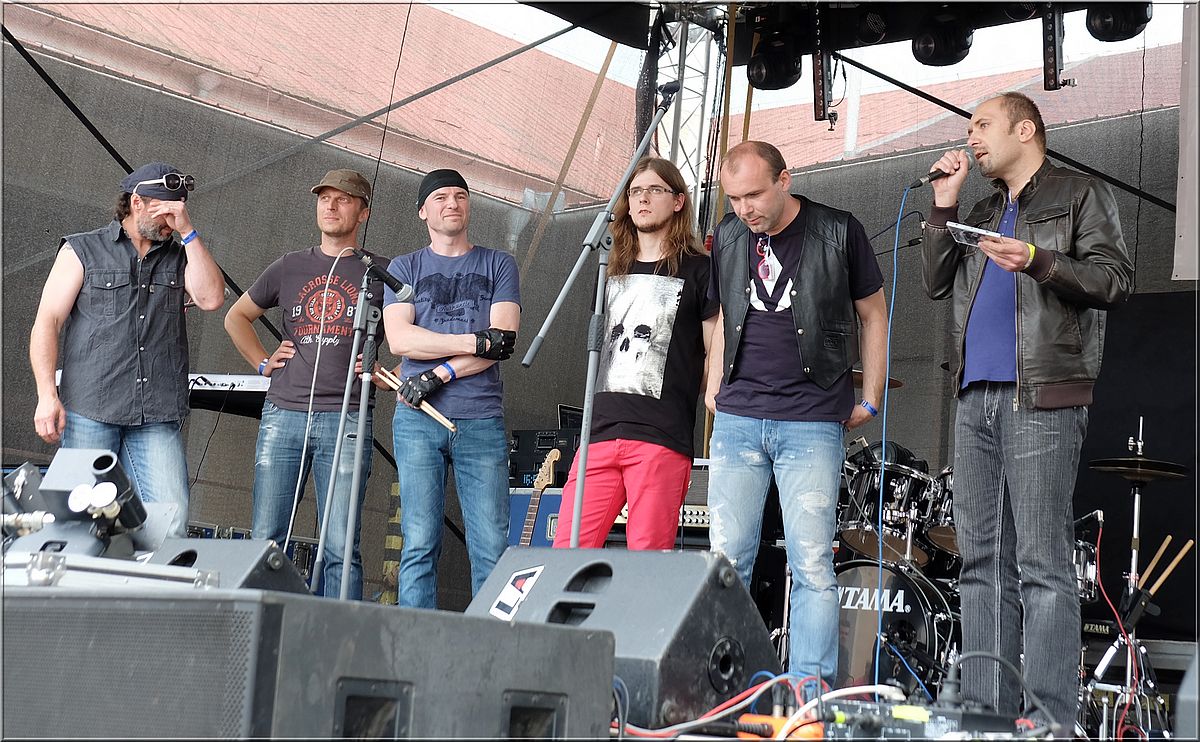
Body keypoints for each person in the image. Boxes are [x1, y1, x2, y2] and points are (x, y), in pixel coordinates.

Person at [921, 92, 1133, 727]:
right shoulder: (983, 209)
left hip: (1040, 394)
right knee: (980, 562)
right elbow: (936, 282)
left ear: (1025, 129)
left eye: (982, 125)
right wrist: (944, 205)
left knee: (1041, 564)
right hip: (974, 396)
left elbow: (1115, 280)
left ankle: (1048, 721)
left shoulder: (1079, 193)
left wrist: (1039, 261)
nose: (972, 138)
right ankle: (986, 714)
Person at [704, 141, 888, 687]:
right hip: (738, 417)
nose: (744, 209)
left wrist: (872, 395)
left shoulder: (838, 230)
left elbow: (874, 315)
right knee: (725, 565)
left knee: (811, 564)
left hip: (811, 417)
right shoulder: (729, 235)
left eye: (754, 195)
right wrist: (713, 387)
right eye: (734, 199)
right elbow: (722, 316)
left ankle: (811, 695)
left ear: (786, 179)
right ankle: (723, 690)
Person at [30, 162, 225, 537]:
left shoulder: (181, 253)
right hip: (91, 408)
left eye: (178, 212)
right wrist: (46, 395)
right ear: (137, 203)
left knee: (170, 523)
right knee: (80, 525)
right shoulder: (82, 249)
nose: (172, 222)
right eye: (166, 212)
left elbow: (212, 299)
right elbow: (47, 322)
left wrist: (188, 232)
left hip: (157, 411)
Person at [224, 169, 384, 601]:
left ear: (363, 213)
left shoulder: (381, 272)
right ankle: (257, 624)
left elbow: (413, 330)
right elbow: (235, 316)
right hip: (284, 412)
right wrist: (262, 362)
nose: (330, 206)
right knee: (266, 538)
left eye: (343, 199)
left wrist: (387, 369)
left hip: (348, 416)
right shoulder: (290, 265)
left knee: (341, 547)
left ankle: (338, 635)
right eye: (324, 198)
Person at [552, 157, 718, 550]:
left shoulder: (701, 270)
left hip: (661, 436)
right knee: (566, 552)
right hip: (598, 433)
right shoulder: (609, 269)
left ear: (678, 201)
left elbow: (715, 352)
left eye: (654, 190)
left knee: (646, 558)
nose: (642, 199)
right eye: (636, 191)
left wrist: (694, 387)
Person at [383, 169, 520, 609]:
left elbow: (502, 344)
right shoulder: (403, 268)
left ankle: (489, 643)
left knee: (491, 547)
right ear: (423, 211)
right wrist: (474, 342)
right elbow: (400, 340)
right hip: (417, 420)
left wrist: (437, 374)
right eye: (440, 197)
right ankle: (414, 642)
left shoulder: (498, 263)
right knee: (419, 543)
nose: (452, 203)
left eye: (460, 195)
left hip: (480, 418)